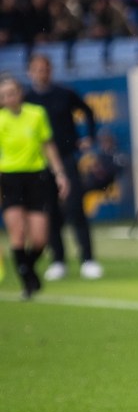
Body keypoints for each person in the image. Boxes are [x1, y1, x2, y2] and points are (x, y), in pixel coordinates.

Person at [24, 54, 103, 281]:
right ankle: (58, 260)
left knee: (76, 207)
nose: (41, 73)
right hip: (39, 162)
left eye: (45, 68)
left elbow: (87, 111)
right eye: (37, 69)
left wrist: (89, 136)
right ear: (30, 72)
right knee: (50, 212)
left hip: (66, 157)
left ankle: (88, 259)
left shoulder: (64, 94)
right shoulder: (27, 100)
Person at [0, 74, 69, 298]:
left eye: (11, 93)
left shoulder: (36, 114)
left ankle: (26, 268)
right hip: (9, 178)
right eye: (3, 95)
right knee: (17, 234)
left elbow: (47, 145)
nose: (8, 98)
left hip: (36, 177)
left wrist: (59, 174)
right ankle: (28, 283)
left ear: (20, 93)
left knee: (39, 238)